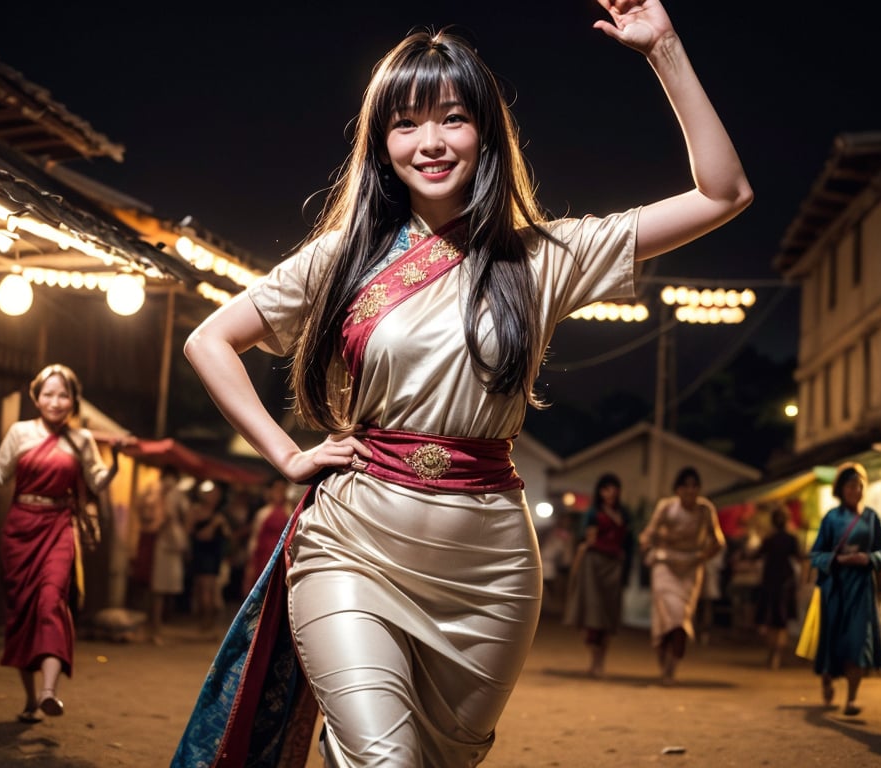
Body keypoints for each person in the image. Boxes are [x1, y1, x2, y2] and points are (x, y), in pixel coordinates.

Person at [174, 0, 752, 763]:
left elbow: (724, 194)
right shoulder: (343, 257)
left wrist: (665, 49)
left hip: (493, 574)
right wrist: (286, 455)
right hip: (353, 547)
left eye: (452, 117)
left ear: (486, 132)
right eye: (406, 123)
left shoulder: (543, 256)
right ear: (381, 144)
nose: (432, 141)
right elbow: (210, 340)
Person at [0, 364, 126, 723]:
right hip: (20, 529)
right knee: (21, 613)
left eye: (63, 394)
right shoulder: (20, 432)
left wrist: (113, 463)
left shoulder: (82, 440)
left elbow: (97, 483)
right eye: (48, 394)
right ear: (36, 397)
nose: (55, 401)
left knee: (51, 601)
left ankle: (49, 692)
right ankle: (29, 698)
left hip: (59, 528)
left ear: (73, 400)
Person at [809, 462, 881, 717]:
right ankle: (827, 678)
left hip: (862, 589)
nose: (855, 489)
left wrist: (869, 559)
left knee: (858, 641)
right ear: (841, 489)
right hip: (835, 588)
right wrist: (838, 560)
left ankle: (852, 699)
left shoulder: (871, 518)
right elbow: (815, 554)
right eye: (850, 485)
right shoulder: (831, 518)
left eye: (859, 485)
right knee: (833, 639)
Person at [639, 466, 725, 683]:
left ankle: (672, 666)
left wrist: (701, 557)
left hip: (690, 569)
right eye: (685, 486)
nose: (690, 490)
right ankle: (662, 659)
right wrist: (647, 544)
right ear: (677, 489)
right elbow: (648, 533)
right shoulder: (667, 507)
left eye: (694, 486)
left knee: (681, 617)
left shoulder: (705, 510)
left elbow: (719, 541)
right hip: (664, 566)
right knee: (666, 615)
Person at [564, 473, 634, 678]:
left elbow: (628, 544)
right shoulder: (594, 513)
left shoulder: (624, 514)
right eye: (606, 488)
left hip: (614, 568)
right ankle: (594, 661)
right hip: (594, 566)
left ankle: (601, 661)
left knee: (608, 615)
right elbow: (590, 540)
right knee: (593, 614)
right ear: (600, 491)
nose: (610, 492)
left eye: (614, 488)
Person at [144, 465, 190, 645]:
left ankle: (157, 627)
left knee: (164, 589)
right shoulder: (155, 493)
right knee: (157, 588)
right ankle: (154, 628)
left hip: (169, 543)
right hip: (160, 542)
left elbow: (186, 516)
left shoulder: (177, 496)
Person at [752, 505, 802, 669]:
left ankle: (773, 654)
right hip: (786, 581)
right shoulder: (791, 539)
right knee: (781, 621)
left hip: (771, 580)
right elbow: (801, 558)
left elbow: (756, 555)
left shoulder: (769, 539)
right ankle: (777, 656)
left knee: (772, 620)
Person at [187, 479, 231, 633]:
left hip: (213, 555)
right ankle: (205, 623)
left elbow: (227, 535)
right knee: (202, 589)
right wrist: (214, 524)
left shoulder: (219, 515)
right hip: (201, 552)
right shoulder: (197, 511)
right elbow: (195, 533)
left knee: (210, 590)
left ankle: (208, 624)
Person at [242, 475, 295, 595]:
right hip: (264, 557)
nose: (279, 493)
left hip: (283, 557)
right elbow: (254, 539)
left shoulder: (290, 511)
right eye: (276, 489)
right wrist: (250, 563)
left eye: (282, 489)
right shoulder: (263, 513)